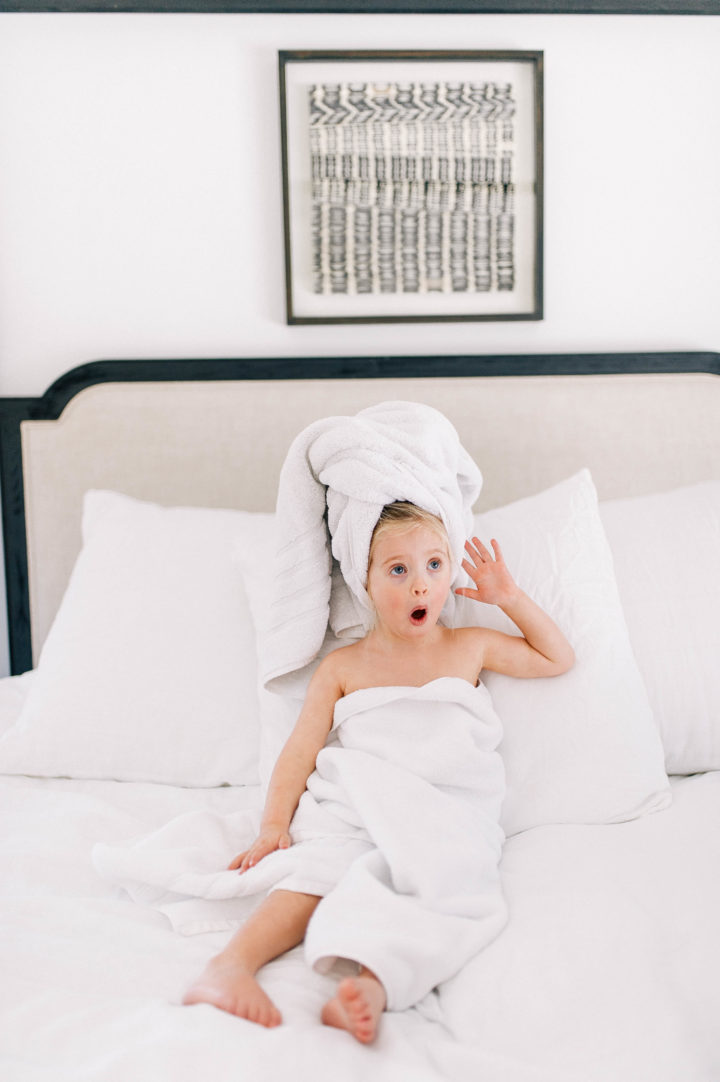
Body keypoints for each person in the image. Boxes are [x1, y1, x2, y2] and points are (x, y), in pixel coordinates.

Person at [183, 501, 574, 1043]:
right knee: (319, 870)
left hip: (443, 811)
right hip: (358, 806)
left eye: (435, 565)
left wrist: (508, 598)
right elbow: (299, 752)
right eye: (398, 569)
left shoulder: (469, 647)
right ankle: (229, 966)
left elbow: (557, 658)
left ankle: (373, 985)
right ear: (363, 580)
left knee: (445, 886)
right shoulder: (343, 667)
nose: (421, 586)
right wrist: (274, 825)